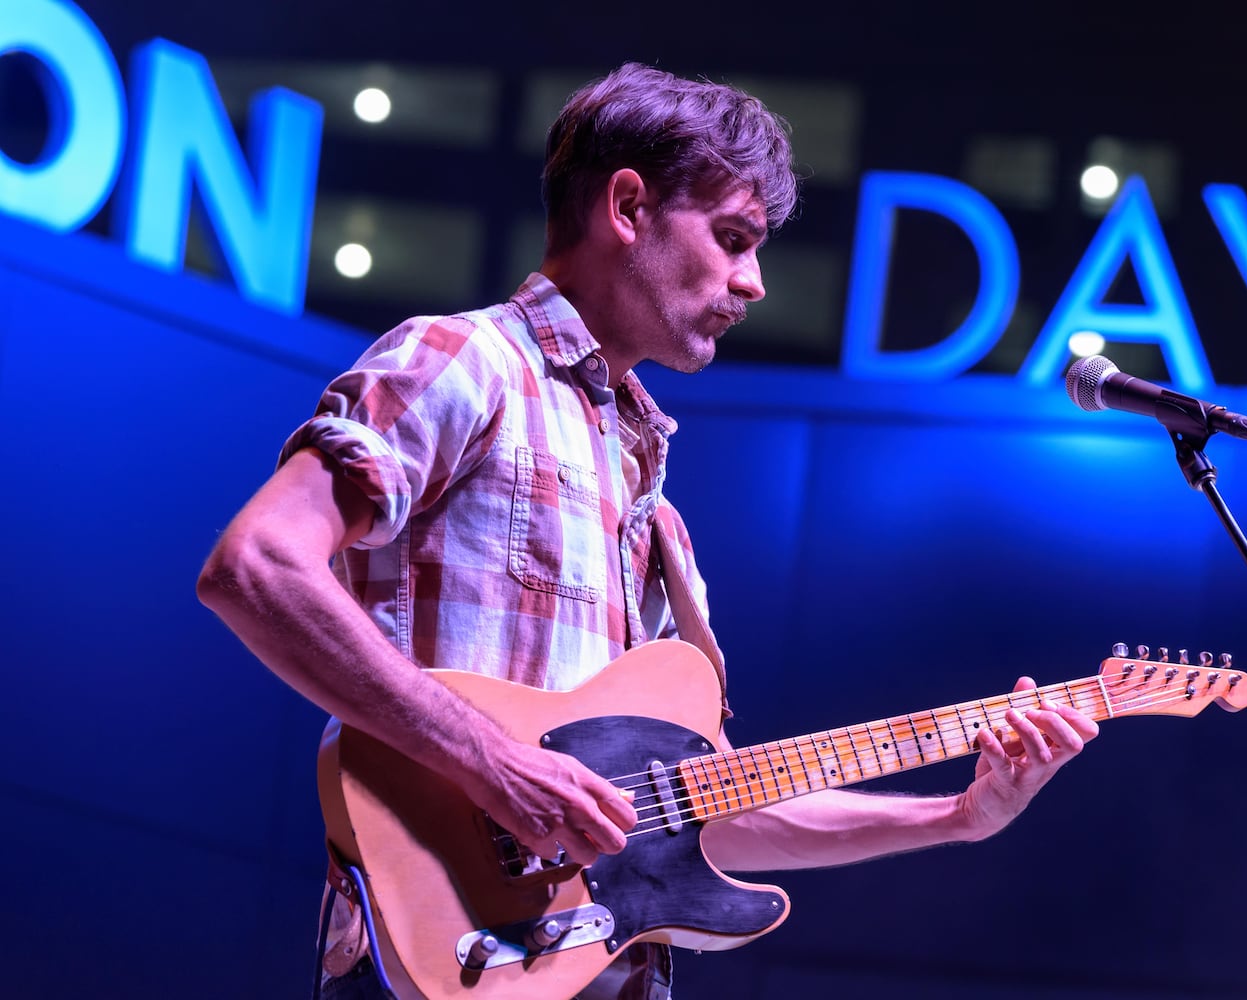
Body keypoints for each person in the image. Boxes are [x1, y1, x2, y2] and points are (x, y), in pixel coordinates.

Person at [196, 62, 1099, 1000]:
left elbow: (682, 819)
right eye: (734, 238)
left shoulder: (649, 499)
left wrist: (956, 815)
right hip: (446, 964)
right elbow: (254, 566)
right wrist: (494, 761)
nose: (752, 282)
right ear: (627, 206)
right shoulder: (466, 361)